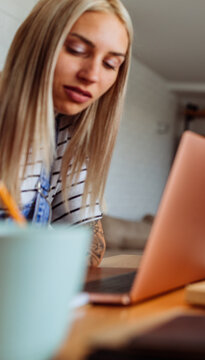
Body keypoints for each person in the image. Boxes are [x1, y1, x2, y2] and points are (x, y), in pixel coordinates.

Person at [0, 0, 133, 266]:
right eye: (77, 49)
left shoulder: (65, 130)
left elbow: (89, 245)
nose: (91, 75)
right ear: (37, 44)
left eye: (110, 64)